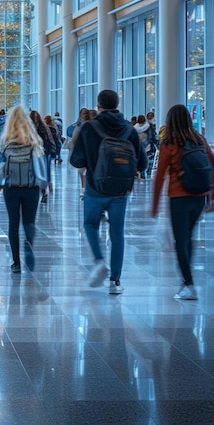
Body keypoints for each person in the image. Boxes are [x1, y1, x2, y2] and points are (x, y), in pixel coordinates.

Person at [69, 89, 147, 294]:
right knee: (117, 232)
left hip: (96, 186)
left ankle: (98, 260)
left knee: (90, 223)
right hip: (121, 189)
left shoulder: (89, 127)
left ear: (99, 106)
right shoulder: (129, 129)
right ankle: (115, 282)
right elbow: (143, 163)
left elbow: (76, 160)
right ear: (118, 105)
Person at [150, 104, 214, 300]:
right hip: (199, 197)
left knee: (181, 241)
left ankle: (189, 284)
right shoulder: (200, 140)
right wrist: (213, 197)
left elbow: (160, 176)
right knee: (188, 237)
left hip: (179, 197)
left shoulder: (169, 143)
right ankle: (187, 281)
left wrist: (154, 206)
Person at [0, 105, 44, 274]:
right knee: (29, 222)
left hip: (11, 188)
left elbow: (0, 166)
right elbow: (40, 167)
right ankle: (28, 246)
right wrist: (44, 185)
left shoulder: (5, 143)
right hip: (31, 188)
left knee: (13, 223)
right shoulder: (34, 142)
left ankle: (16, 262)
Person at [29, 110, 55, 203]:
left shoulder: (31, 128)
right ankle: (43, 191)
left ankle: (43, 192)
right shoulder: (42, 127)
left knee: (41, 173)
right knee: (42, 172)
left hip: (41, 152)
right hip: (39, 152)